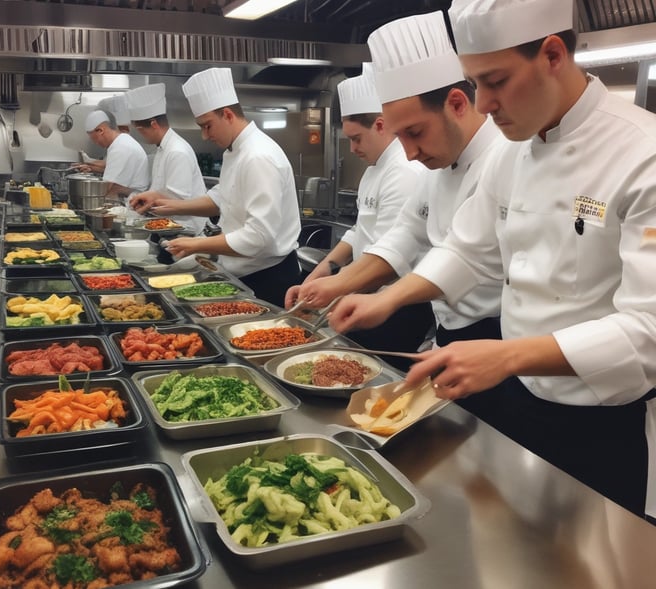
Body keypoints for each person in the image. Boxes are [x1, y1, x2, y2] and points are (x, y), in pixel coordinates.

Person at [330, 0, 656, 519]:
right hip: (516, 398)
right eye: (475, 83)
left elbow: (647, 331)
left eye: (495, 81)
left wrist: (506, 354)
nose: (481, 105)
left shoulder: (643, 153)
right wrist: (385, 300)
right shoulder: (514, 150)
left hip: (595, 423)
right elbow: (468, 250)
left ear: (551, 54)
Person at [285, 63, 432, 369]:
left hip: (394, 304)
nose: (351, 149)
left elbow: (389, 257)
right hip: (364, 290)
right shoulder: (374, 169)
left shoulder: (404, 171)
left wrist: (334, 290)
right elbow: (357, 233)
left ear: (380, 125)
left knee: (368, 375)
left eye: (356, 138)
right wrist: (320, 274)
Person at [132, 67, 301, 307]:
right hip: (242, 271)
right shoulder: (236, 151)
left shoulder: (258, 156)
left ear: (228, 115)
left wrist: (196, 245)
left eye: (207, 125)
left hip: (268, 277)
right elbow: (220, 199)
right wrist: (166, 205)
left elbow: (259, 236)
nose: (204, 135)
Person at [126, 83, 207, 235]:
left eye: (141, 131)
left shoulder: (177, 151)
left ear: (154, 124)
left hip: (186, 231)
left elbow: (178, 199)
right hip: (169, 227)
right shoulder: (163, 148)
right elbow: (161, 190)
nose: (141, 136)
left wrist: (148, 201)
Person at [76, 110, 150, 201]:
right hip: (128, 201)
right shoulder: (121, 142)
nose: (95, 143)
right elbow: (112, 166)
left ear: (100, 130)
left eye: (93, 138)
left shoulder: (121, 148)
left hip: (130, 207)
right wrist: (92, 167)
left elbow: (108, 189)